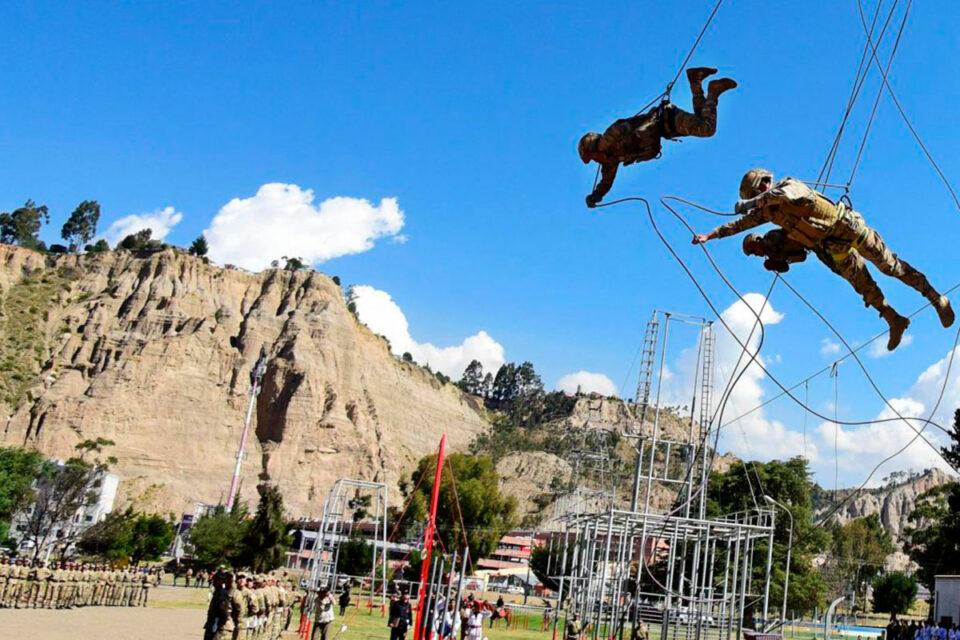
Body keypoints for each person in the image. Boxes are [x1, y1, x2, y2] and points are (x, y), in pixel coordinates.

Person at [693, 169, 955, 350]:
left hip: (847, 227)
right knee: (862, 285)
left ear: (765, 183)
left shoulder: (788, 185)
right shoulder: (767, 213)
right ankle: (893, 318)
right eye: (755, 194)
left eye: (760, 189)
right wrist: (710, 235)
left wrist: (751, 203)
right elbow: (738, 225)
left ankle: (935, 298)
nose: (760, 193)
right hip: (831, 246)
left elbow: (786, 196)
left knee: (890, 267)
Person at [579, 67, 737, 207]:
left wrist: (641, 135)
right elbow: (606, 182)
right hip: (667, 127)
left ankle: (713, 90)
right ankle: (696, 80)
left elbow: (627, 127)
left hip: (666, 118)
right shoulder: (610, 160)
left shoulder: (609, 139)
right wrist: (596, 195)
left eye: (592, 157)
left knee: (707, 128)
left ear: (595, 149)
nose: (596, 161)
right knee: (702, 119)